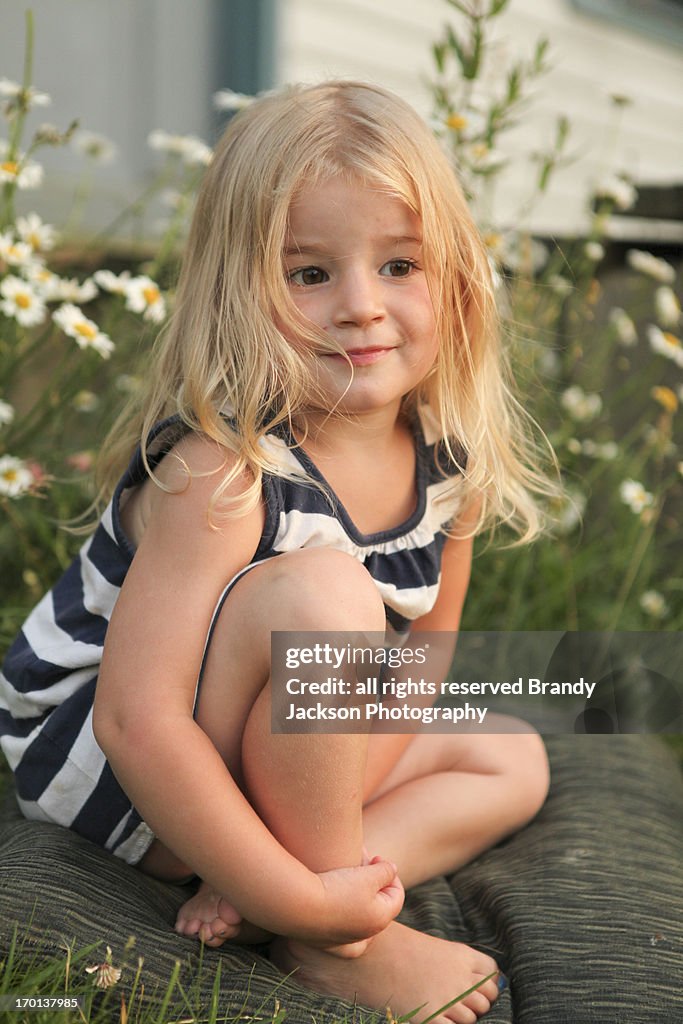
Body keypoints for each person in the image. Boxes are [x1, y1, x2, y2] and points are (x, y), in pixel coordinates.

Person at [0, 81, 554, 1024]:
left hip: (269, 741)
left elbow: (416, 671)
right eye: (308, 275)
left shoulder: (447, 465)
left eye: (399, 264)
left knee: (514, 757)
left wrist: (290, 866)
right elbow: (139, 722)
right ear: (240, 294)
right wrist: (303, 894)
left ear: (457, 279)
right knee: (323, 597)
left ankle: (299, 894)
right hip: (120, 770)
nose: (360, 308)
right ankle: (333, 938)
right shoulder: (223, 469)